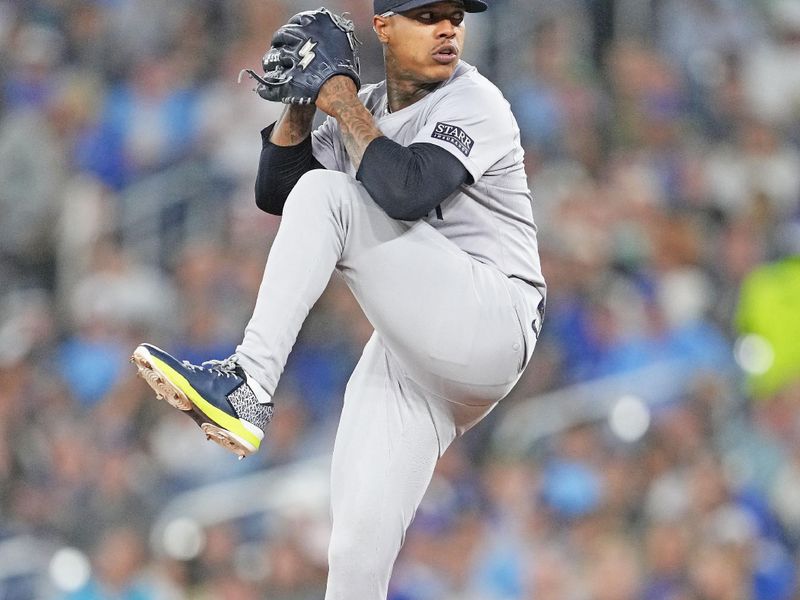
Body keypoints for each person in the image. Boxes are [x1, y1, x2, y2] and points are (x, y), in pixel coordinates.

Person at [132, 0, 546, 597]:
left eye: (455, 15)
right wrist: (302, 105)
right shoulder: (370, 107)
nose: (448, 27)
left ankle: (249, 384)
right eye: (427, 15)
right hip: (416, 356)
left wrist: (339, 96)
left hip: (494, 319)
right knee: (354, 553)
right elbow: (277, 194)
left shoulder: (474, 102)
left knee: (333, 196)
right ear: (383, 26)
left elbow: (406, 191)